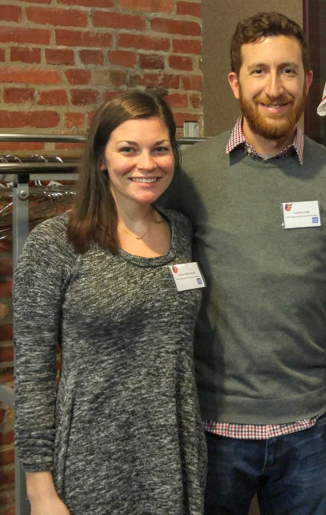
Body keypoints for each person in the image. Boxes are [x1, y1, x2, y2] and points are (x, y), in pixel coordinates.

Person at [158, 12, 326, 515]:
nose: (274, 88)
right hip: (213, 427)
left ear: (307, 81)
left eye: (287, 71)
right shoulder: (188, 174)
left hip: (307, 428)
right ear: (236, 82)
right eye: (259, 71)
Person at [13, 91, 207, 514]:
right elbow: (33, 376)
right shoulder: (56, 244)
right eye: (128, 150)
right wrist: (39, 491)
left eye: (160, 149)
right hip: (91, 462)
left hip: (174, 455)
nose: (147, 163)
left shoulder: (182, 232)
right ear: (102, 159)